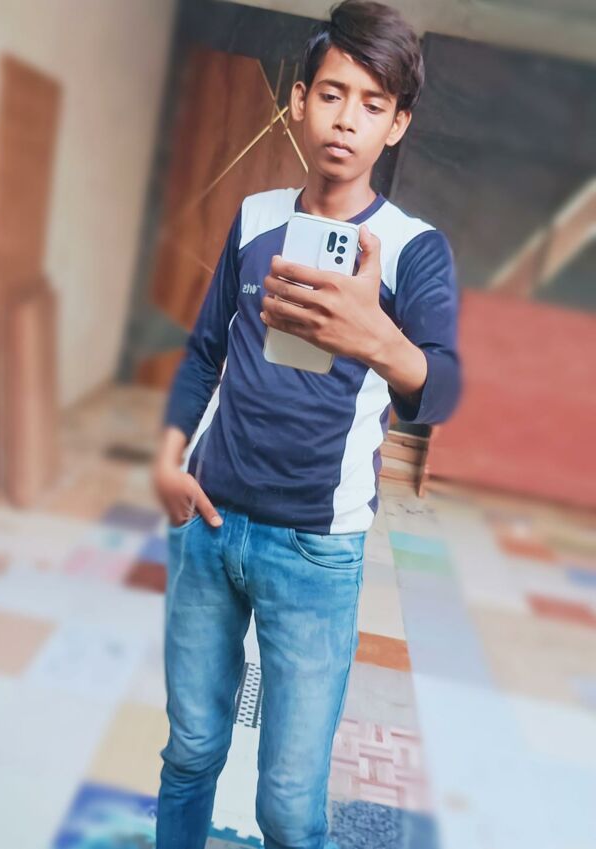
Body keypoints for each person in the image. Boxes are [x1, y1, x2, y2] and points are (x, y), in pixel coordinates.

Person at [152, 2, 462, 847]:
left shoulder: (412, 248)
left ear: (397, 124)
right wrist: (170, 458)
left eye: (373, 103)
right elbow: (205, 350)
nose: (347, 119)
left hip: (317, 551)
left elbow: (440, 389)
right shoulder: (255, 216)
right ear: (298, 101)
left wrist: (380, 339)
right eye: (332, 94)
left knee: (288, 806)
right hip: (209, 525)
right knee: (190, 751)